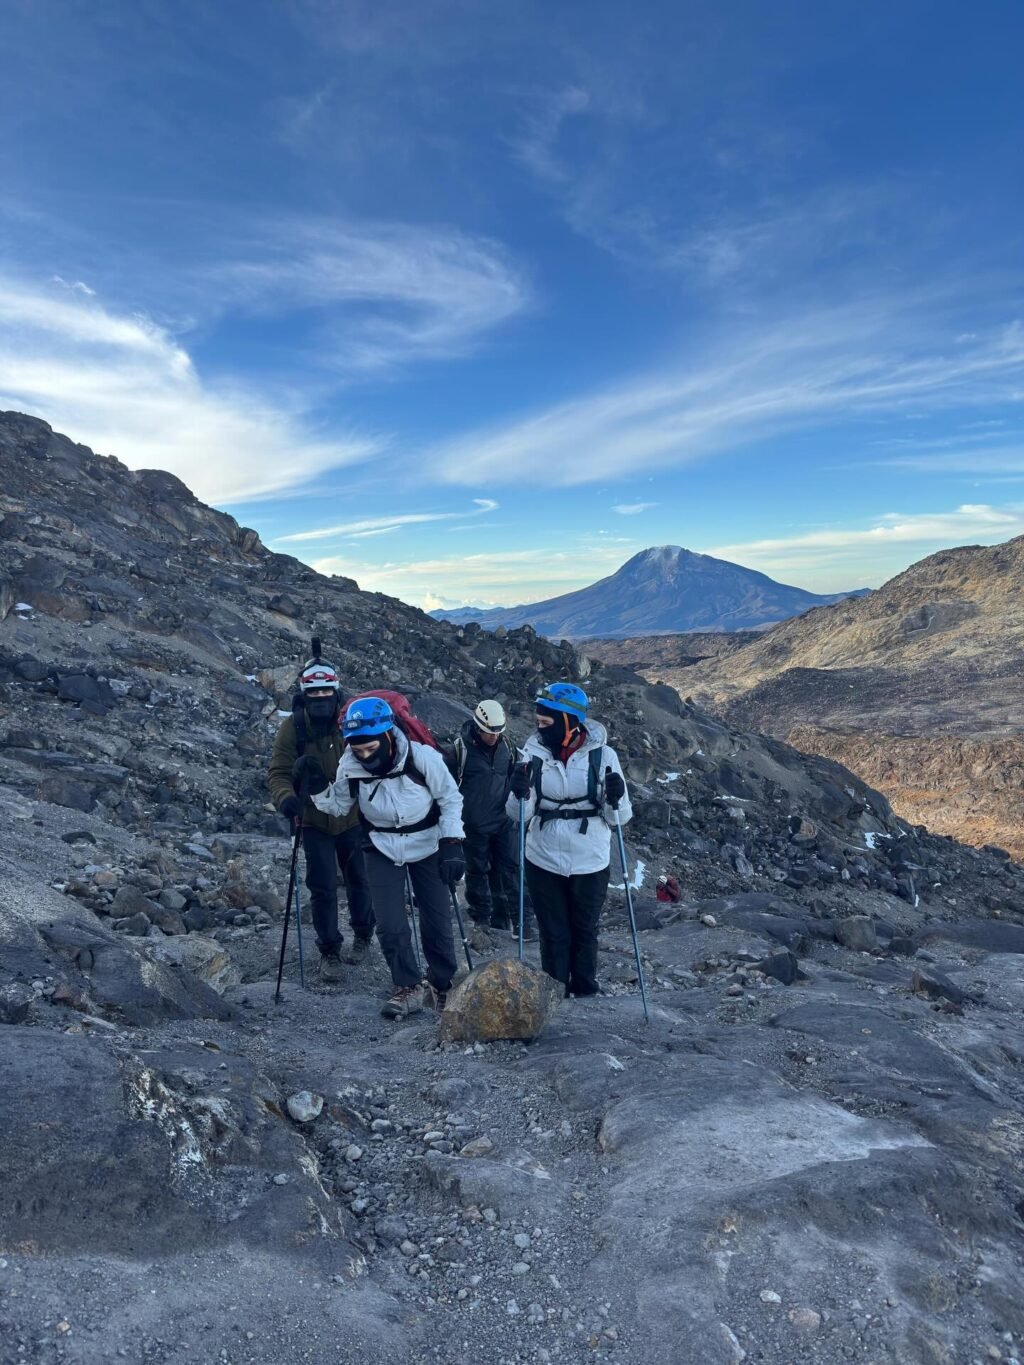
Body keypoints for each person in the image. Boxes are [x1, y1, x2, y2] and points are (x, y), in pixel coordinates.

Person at [295, 696, 464, 1019]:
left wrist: (452, 842)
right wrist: (317, 786)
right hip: (380, 846)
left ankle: (442, 985)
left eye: (370, 748)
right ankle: (407, 986)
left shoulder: (422, 757)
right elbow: (339, 807)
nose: (364, 756)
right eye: (357, 749)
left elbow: (450, 798)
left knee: (438, 919)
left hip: (428, 844)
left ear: (387, 737)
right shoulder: (351, 764)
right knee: (389, 924)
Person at [508, 682, 631, 998]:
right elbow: (519, 816)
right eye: (538, 720)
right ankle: (554, 990)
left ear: (568, 720)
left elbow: (619, 819)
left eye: (546, 721)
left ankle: (585, 987)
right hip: (543, 856)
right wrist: (518, 792)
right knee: (553, 930)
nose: (539, 726)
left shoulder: (604, 756)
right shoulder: (531, 753)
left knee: (584, 929)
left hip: (589, 857)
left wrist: (615, 799)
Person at [267, 654, 376, 983]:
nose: (320, 699)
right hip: (313, 819)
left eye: (325, 693)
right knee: (323, 886)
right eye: (313, 694)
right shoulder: (293, 726)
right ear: (304, 694)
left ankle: (363, 936)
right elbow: (279, 772)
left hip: (353, 816)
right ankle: (329, 950)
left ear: (335, 692)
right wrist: (287, 800)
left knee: (360, 879)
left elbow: (372, 755)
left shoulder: (349, 721)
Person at [445, 699, 536, 939]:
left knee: (513, 870)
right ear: (477, 726)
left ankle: (521, 922)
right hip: (473, 826)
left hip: (505, 822)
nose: (493, 737)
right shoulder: (458, 752)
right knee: (477, 872)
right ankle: (482, 921)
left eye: (498, 731)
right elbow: (445, 789)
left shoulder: (508, 747)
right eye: (489, 732)